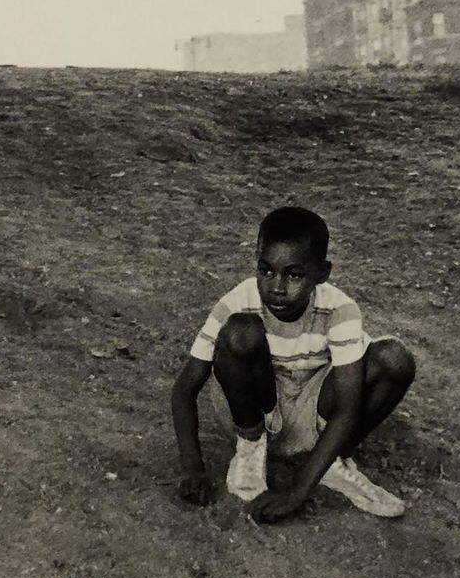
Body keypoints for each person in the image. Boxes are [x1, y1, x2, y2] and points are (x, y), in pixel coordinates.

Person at [170, 206, 415, 523]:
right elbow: (184, 390)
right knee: (240, 331)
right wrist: (192, 468)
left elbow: (347, 408)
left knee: (394, 358)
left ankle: (330, 462)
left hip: (310, 408)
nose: (277, 286)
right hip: (256, 405)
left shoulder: (340, 309)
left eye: (294, 275)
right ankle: (250, 448)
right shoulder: (238, 300)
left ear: (322, 274)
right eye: (266, 270)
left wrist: (298, 492)